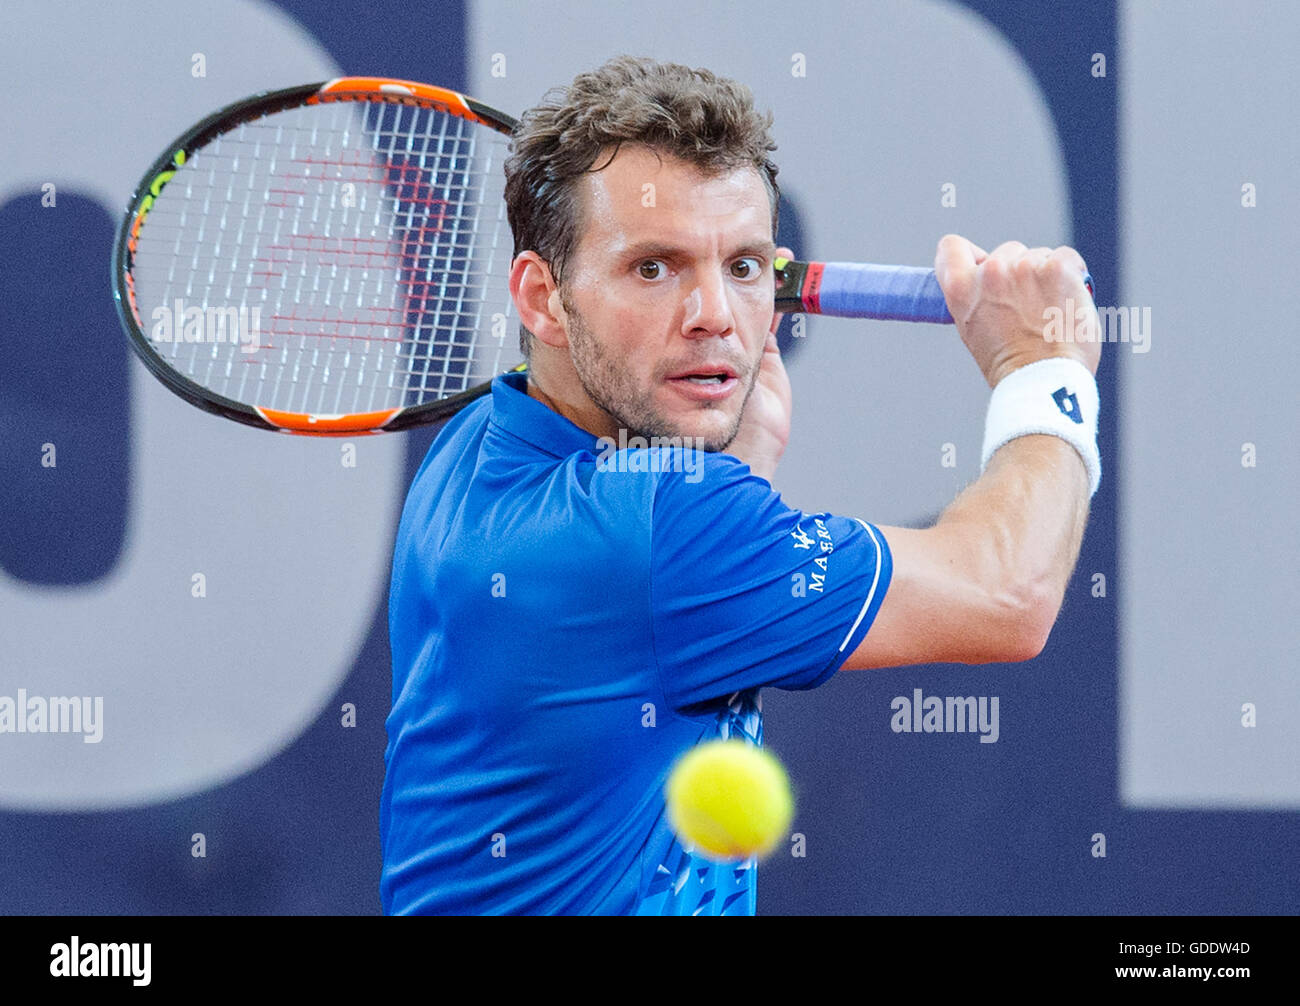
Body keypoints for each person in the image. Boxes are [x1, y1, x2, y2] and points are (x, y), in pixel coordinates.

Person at [380, 55, 1102, 915]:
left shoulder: (478, 448)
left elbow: (654, 612)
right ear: (542, 298)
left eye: (744, 266)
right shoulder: (661, 527)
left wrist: (738, 452)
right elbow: (1008, 593)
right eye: (655, 268)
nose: (714, 314)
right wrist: (1042, 372)